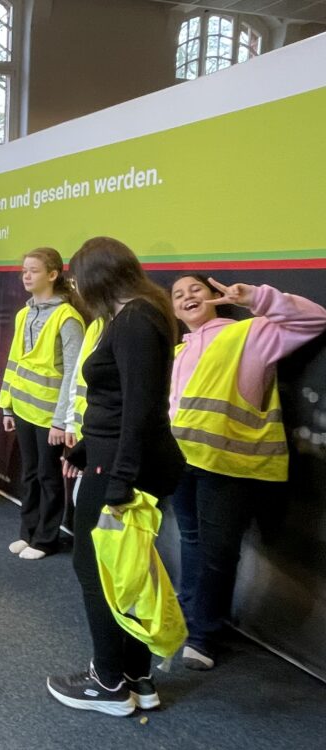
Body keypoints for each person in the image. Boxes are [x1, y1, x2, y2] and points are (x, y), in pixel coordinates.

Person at [47, 236, 184, 717]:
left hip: (124, 470)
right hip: (115, 460)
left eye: (78, 278)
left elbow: (141, 412)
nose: (76, 287)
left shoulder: (135, 320)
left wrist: (118, 481)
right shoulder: (138, 315)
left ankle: (107, 683)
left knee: (97, 570)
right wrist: (87, 446)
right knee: (126, 570)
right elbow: (124, 402)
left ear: (98, 276)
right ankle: (136, 677)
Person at [168, 273, 326, 671]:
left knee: (218, 552)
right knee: (191, 540)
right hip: (182, 461)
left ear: (215, 297)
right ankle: (189, 619)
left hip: (227, 463)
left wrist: (255, 297)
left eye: (196, 290)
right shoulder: (178, 351)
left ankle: (203, 635)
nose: (187, 297)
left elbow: (315, 319)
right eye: (178, 295)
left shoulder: (249, 333)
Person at [0, 248, 84, 560]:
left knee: (49, 477)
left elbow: (74, 375)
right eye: (24, 270)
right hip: (22, 409)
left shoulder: (68, 318)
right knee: (29, 473)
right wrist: (7, 405)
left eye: (33, 270)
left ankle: (47, 539)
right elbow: (14, 361)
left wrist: (62, 420)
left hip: (50, 416)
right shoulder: (24, 314)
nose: (26, 275)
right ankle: (28, 532)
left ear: (52, 274)